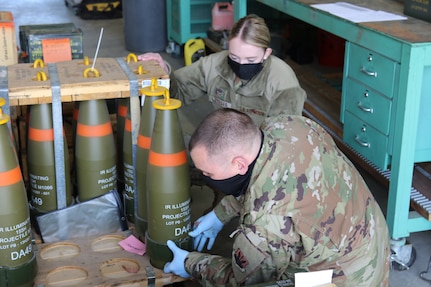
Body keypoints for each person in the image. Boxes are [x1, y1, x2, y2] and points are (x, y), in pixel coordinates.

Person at [163, 108, 391, 286]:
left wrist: (191, 263)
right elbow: (270, 178)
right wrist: (220, 214)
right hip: (374, 239)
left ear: (240, 164)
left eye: (208, 173)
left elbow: (241, 281)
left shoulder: (263, 226)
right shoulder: (287, 125)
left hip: (345, 278)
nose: (204, 176)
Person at [138, 14, 306, 126]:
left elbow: (285, 138)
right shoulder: (213, 65)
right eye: (234, 57)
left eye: (251, 60)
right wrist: (164, 70)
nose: (241, 64)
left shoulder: (283, 84)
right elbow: (179, 91)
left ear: (266, 53)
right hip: (225, 142)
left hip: (263, 155)